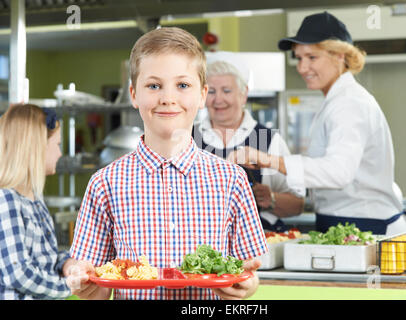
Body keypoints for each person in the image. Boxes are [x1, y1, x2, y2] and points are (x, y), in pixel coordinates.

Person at [66, 27, 267, 300]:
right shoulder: (105, 183)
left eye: (182, 85)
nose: (167, 98)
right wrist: (85, 285)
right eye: (154, 85)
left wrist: (246, 286)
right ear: (134, 95)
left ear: (202, 95)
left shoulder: (232, 180)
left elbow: (247, 272)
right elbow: (95, 284)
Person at [228, 12, 406, 236]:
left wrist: (270, 160)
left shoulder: (349, 103)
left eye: (312, 57)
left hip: (366, 226)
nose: (302, 68)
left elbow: (338, 172)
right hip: (346, 223)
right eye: (299, 58)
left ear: (339, 56)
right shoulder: (337, 100)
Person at [192, 51, 304, 232]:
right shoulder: (188, 138)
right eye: (211, 91)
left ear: (244, 94)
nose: (218, 99)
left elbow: (298, 205)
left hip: (258, 246)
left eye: (226, 91)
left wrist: (272, 199)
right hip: (199, 245)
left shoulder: (268, 140)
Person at [0, 104, 76, 299]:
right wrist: (66, 287)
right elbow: (18, 273)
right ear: (36, 147)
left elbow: (45, 258)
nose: (59, 153)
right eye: (57, 144)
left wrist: (67, 263)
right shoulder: (6, 200)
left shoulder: (34, 200)